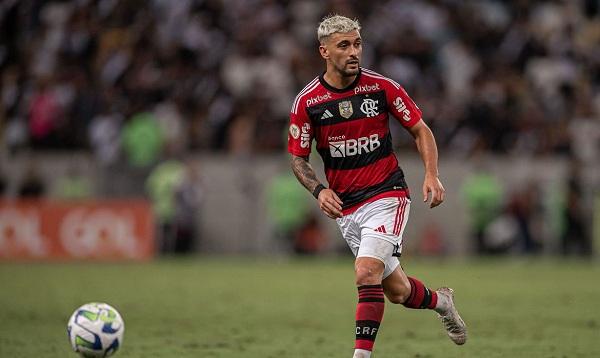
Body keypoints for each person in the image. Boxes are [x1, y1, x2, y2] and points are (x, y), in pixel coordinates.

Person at [288, 15, 467, 357]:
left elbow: (421, 130)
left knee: (365, 271)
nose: (354, 52)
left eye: (357, 44)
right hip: (347, 207)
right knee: (397, 292)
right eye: (344, 46)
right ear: (324, 51)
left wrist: (432, 173)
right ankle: (441, 302)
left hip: (387, 194)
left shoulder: (381, 87)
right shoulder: (307, 102)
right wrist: (319, 190)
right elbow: (298, 158)